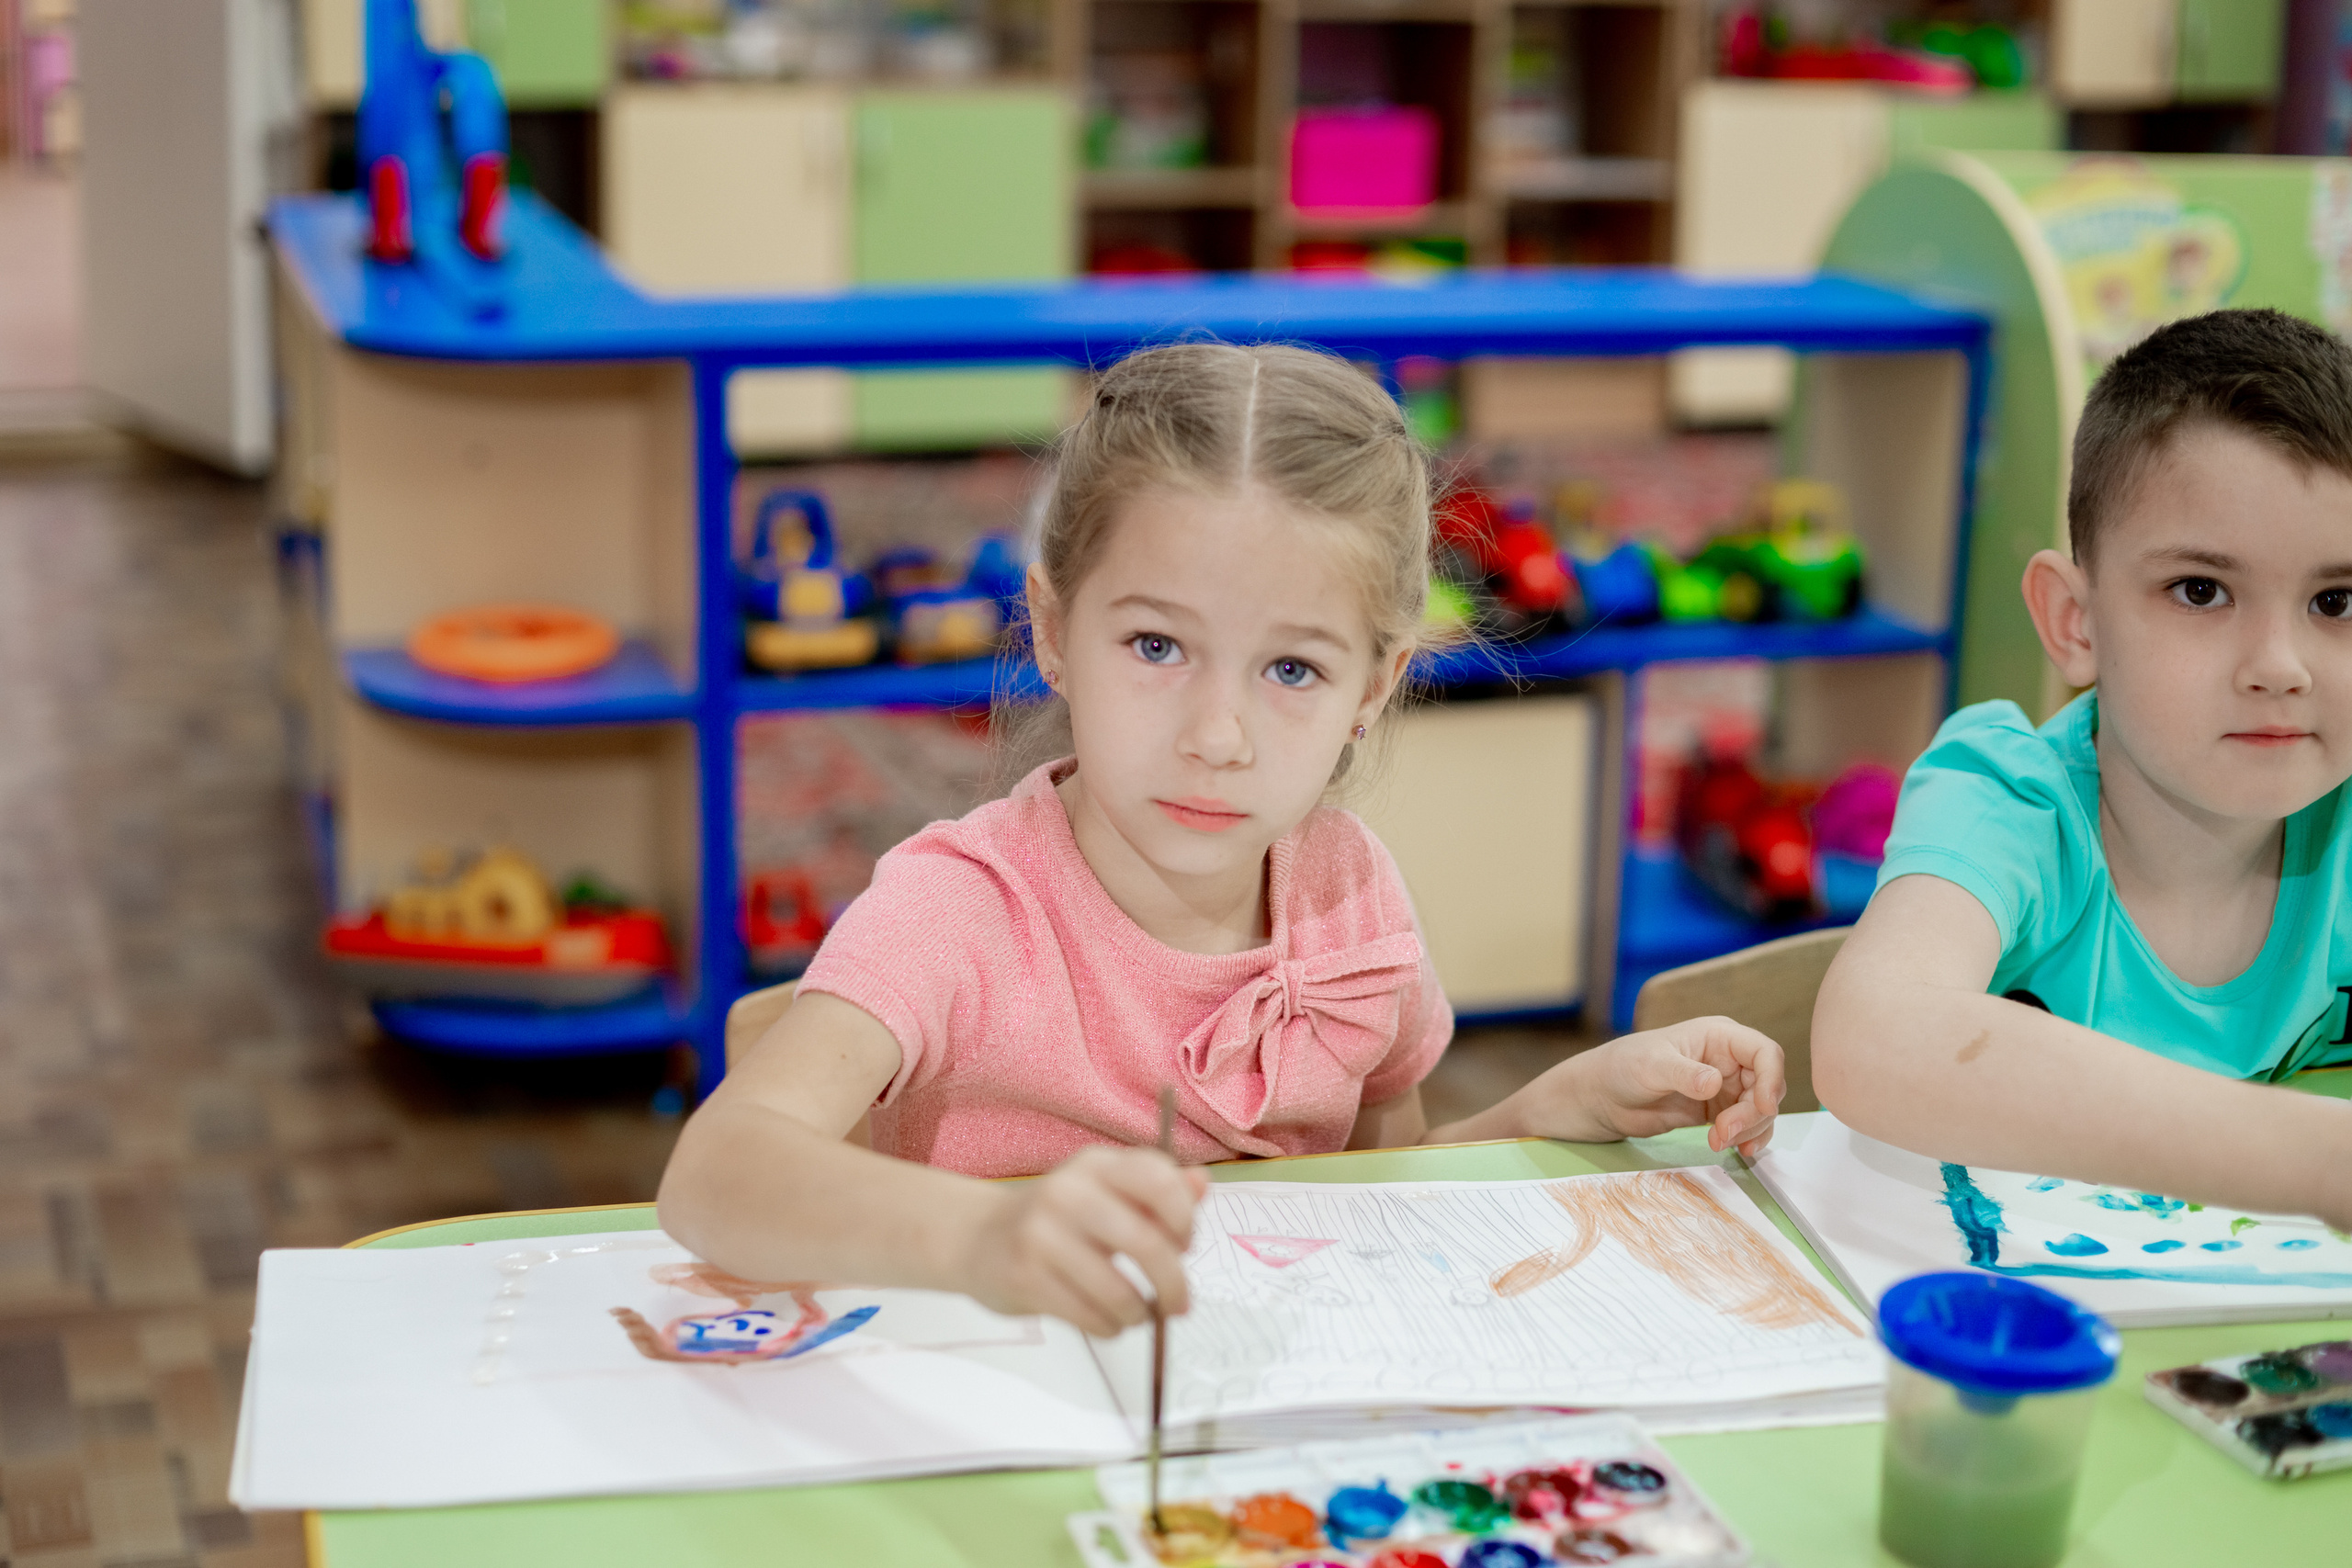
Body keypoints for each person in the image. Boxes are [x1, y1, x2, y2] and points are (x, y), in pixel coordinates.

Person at [659, 342, 1785, 1336]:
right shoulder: (956, 910)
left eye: (1291, 668)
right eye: (1156, 647)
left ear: (1373, 687)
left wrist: (1551, 1110)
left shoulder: (1350, 894)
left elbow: (1375, 1198)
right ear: (1051, 630)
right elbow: (712, 1176)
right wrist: (981, 1239)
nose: (1216, 737)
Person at [1814, 309, 2352, 1231]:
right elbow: (1873, 1037)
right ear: (2076, 622)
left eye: (2336, 601)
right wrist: (2315, 1161)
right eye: (2200, 591)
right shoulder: (2007, 799)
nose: (2279, 666)